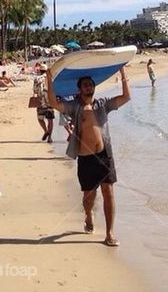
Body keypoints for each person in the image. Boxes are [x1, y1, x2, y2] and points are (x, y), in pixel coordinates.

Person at [46, 67, 129, 247]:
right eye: (85, 85)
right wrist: (48, 78)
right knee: (88, 198)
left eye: (90, 84)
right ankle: (88, 214)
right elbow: (53, 103)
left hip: (104, 156)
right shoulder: (74, 107)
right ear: (79, 89)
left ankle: (109, 233)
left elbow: (125, 98)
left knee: (108, 192)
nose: (88, 87)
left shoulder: (103, 104)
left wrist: (123, 76)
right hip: (86, 159)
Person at [32, 75, 54, 142]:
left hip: (40, 102)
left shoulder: (36, 78)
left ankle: (45, 131)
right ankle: (50, 138)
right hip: (49, 102)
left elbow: (35, 90)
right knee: (50, 120)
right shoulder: (51, 78)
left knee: (40, 119)